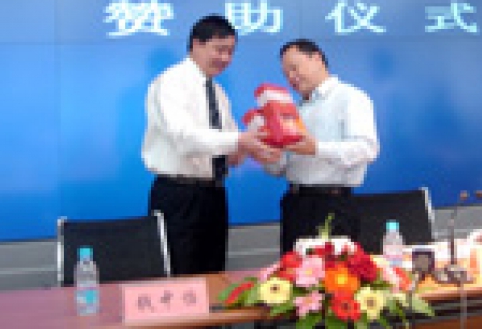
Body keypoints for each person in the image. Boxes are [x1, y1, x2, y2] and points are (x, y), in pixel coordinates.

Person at [142, 14, 280, 275]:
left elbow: (231, 152)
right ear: (196, 44)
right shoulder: (171, 82)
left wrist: (256, 143)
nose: (225, 58)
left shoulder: (218, 92)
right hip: (179, 195)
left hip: (214, 195)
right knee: (180, 276)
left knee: (214, 274)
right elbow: (183, 138)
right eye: (219, 49)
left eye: (231, 52)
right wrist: (240, 140)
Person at [260, 38, 380, 254]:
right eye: (286, 73)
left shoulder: (350, 97)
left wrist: (316, 148)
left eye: (295, 68)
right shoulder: (293, 109)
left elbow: (366, 149)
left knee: (333, 273)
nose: (291, 77)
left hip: (332, 206)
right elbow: (280, 168)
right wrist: (268, 154)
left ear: (316, 58)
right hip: (295, 204)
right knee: (292, 272)